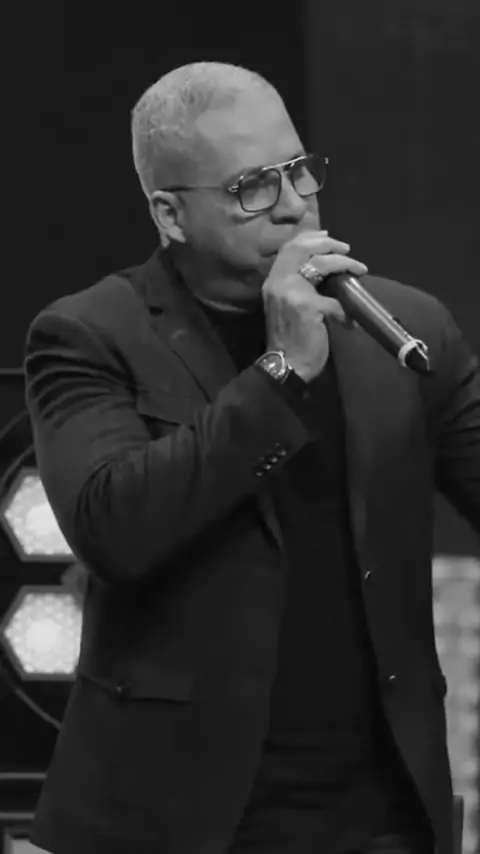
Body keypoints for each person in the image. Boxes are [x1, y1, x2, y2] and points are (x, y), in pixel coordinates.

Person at [24, 61, 480, 854]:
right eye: (253, 187)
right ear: (170, 214)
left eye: (300, 169)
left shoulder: (406, 329)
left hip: (379, 817)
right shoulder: (90, 334)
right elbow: (113, 527)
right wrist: (282, 371)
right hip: (168, 820)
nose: (295, 202)